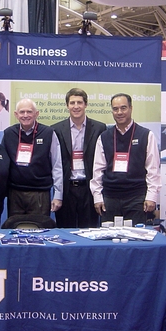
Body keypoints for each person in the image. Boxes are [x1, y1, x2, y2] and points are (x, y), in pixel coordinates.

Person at [90, 93, 160, 225]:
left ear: (131, 108)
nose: (119, 112)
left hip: (136, 197)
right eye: (115, 109)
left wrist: (151, 197)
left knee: (135, 239)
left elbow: (153, 169)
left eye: (123, 108)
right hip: (110, 197)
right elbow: (98, 170)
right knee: (109, 240)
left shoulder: (146, 135)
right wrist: (97, 197)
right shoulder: (104, 137)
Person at [51, 88, 106, 228]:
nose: (76, 106)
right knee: (65, 231)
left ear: (86, 104)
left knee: (89, 231)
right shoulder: (56, 129)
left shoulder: (99, 128)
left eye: (79, 102)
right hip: (67, 188)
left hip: (89, 188)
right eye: (72, 103)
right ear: (67, 105)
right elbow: (56, 162)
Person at [2, 98, 63, 217]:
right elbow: (3, 165)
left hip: (40, 194)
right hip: (15, 193)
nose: (25, 115)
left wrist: (58, 195)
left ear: (36, 114)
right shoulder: (9, 133)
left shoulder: (48, 133)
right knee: (15, 232)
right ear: (16, 114)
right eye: (22, 112)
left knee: (40, 231)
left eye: (29, 112)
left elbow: (57, 165)